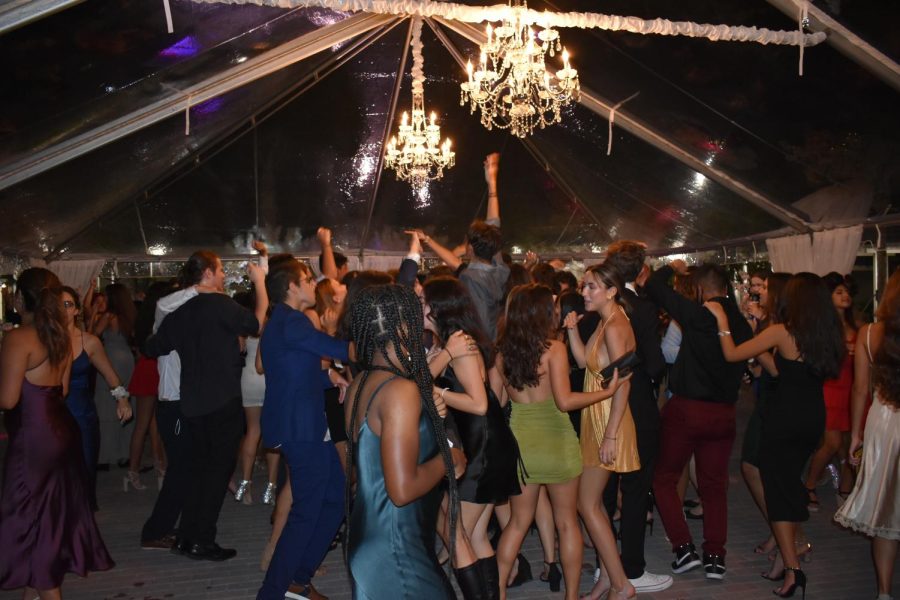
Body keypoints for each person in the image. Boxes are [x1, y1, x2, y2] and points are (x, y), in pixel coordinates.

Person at [707, 272, 845, 598]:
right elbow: (784, 369)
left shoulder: (784, 331)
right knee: (789, 484)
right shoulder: (828, 335)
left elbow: (731, 353)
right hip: (812, 418)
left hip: (784, 419)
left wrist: (722, 322)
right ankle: (787, 561)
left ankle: (793, 569)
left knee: (778, 492)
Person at [492, 283, 633, 600]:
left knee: (516, 524)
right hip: (557, 444)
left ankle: (498, 591)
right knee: (568, 523)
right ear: (541, 313)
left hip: (522, 448)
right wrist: (607, 392)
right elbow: (565, 401)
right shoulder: (553, 349)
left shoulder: (501, 354)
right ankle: (571, 596)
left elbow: (496, 402)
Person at [345, 284, 465, 600]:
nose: (424, 318)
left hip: (375, 535)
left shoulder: (360, 382)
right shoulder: (399, 391)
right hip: (395, 546)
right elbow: (402, 490)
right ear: (402, 325)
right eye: (417, 313)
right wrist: (450, 460)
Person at [144, 251, 266, 561]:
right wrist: (261, 285)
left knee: (197, 472)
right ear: (209, 273)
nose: (224, 275)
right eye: (221, 270)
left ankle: (186, 537)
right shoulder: (221, 305)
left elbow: (153, 346)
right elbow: (256, 323)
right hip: (222, 402)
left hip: (192, 404)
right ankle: (201, 540)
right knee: (215, 474)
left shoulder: (180, 312)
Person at [0, 268, 114, 599]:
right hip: (60, 430)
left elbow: (8, 400)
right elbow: (61, 390)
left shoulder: (19, 338)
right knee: (45, 517)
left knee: (28, 517)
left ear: (20, 297)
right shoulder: (60, 336)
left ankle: (48, 590)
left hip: (33, 436)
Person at [644, 261, 753, 581]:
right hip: (724, 414)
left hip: (688, 410)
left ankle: (683, 549)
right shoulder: (742, 323)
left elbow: (655, 286)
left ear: (701, 289)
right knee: (714, 487)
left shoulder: (698, 314)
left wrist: (670, 268)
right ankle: (715, 557)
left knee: (663, 478)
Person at [256, 257, 350, 600]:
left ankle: (298, 579)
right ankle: (273, 591)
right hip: (300, 426)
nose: (313, 283)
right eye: (308, 278)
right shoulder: (293, 322)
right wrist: (375, 345)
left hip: (307, 421)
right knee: (307, 510)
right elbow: (336, 349)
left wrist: (330, 376)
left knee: (335, 499)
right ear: (292, 287)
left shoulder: (284, 322)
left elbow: (293, 369)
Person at [424, 275, 521, 599]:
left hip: (484, 446)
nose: (421, 307)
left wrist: (436, 391)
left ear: (440, 308)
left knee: (459, 533)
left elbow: (479, 404)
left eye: (425, 302)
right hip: (485, 443)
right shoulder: (452, 343)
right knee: (476, 535)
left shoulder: (460, 345)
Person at [564, 263, 640, 600]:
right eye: (584, 286)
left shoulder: (616, 325)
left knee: (587, 503)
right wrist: (571, 330)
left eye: (592, 287)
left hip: (608, 420)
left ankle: (622, 585)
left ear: (612, 290)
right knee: (591, 504)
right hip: (596, 416)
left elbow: (625, 386)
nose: (584, 292)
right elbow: (583, 364)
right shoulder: (606, 319)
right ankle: (609, 579)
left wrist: (610, 435)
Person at [602, 241, 672, 594]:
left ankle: (606, 568)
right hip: (636, 401)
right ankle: (631, 570)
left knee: (604, 488)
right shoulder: (642, 308)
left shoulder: (600, 304)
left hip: (601, 400)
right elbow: (655, 361)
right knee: (635, 487)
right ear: (640, 270)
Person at [835, 268, 900, 600]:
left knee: (886, 507)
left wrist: (856, 435)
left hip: (884, 420)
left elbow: (860, 389)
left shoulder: (870, 333)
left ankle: (884, 592)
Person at [418, 153, 509, 340]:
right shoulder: (499, 268)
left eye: (467, 243)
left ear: (471, 249)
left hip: (478, 344)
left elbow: (477, 319)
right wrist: (492, 182)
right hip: (496, 340)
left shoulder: (470, 277)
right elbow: (493, 223)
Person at [61, 285, 132, 510]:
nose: (63, 310)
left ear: (76, 310)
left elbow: (112, 377)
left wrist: (122, 399)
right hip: (52, 414)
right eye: (58, 305)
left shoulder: (89, 341)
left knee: (84, 470)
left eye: (68, 304)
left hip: (81, 414)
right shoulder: (43, 340)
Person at [804, 272, 859, 508]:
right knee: (832, 443)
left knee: (850, 447)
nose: (845, 296)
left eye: (846, 292)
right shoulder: (822, 326)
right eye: (839, 292)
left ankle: (845, 490)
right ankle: (809, 484)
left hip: (853, 389)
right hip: (829, 389)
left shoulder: (858, 324)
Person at [127, 281, 170, 491]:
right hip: (154, 367)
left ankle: (155, 466)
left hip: (148, 366)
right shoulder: (160, 316)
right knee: (146, 424)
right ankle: (136, 470)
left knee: (150, 424)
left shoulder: (143, 316)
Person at [94, 282, 137, 473]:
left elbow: (92, 335)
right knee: (127, 401)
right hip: (127, 358)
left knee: (106, 404)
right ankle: (124, 454)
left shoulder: (109, 315)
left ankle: (105, 456)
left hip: (111, 357)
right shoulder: (130, 315)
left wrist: (94, 313)